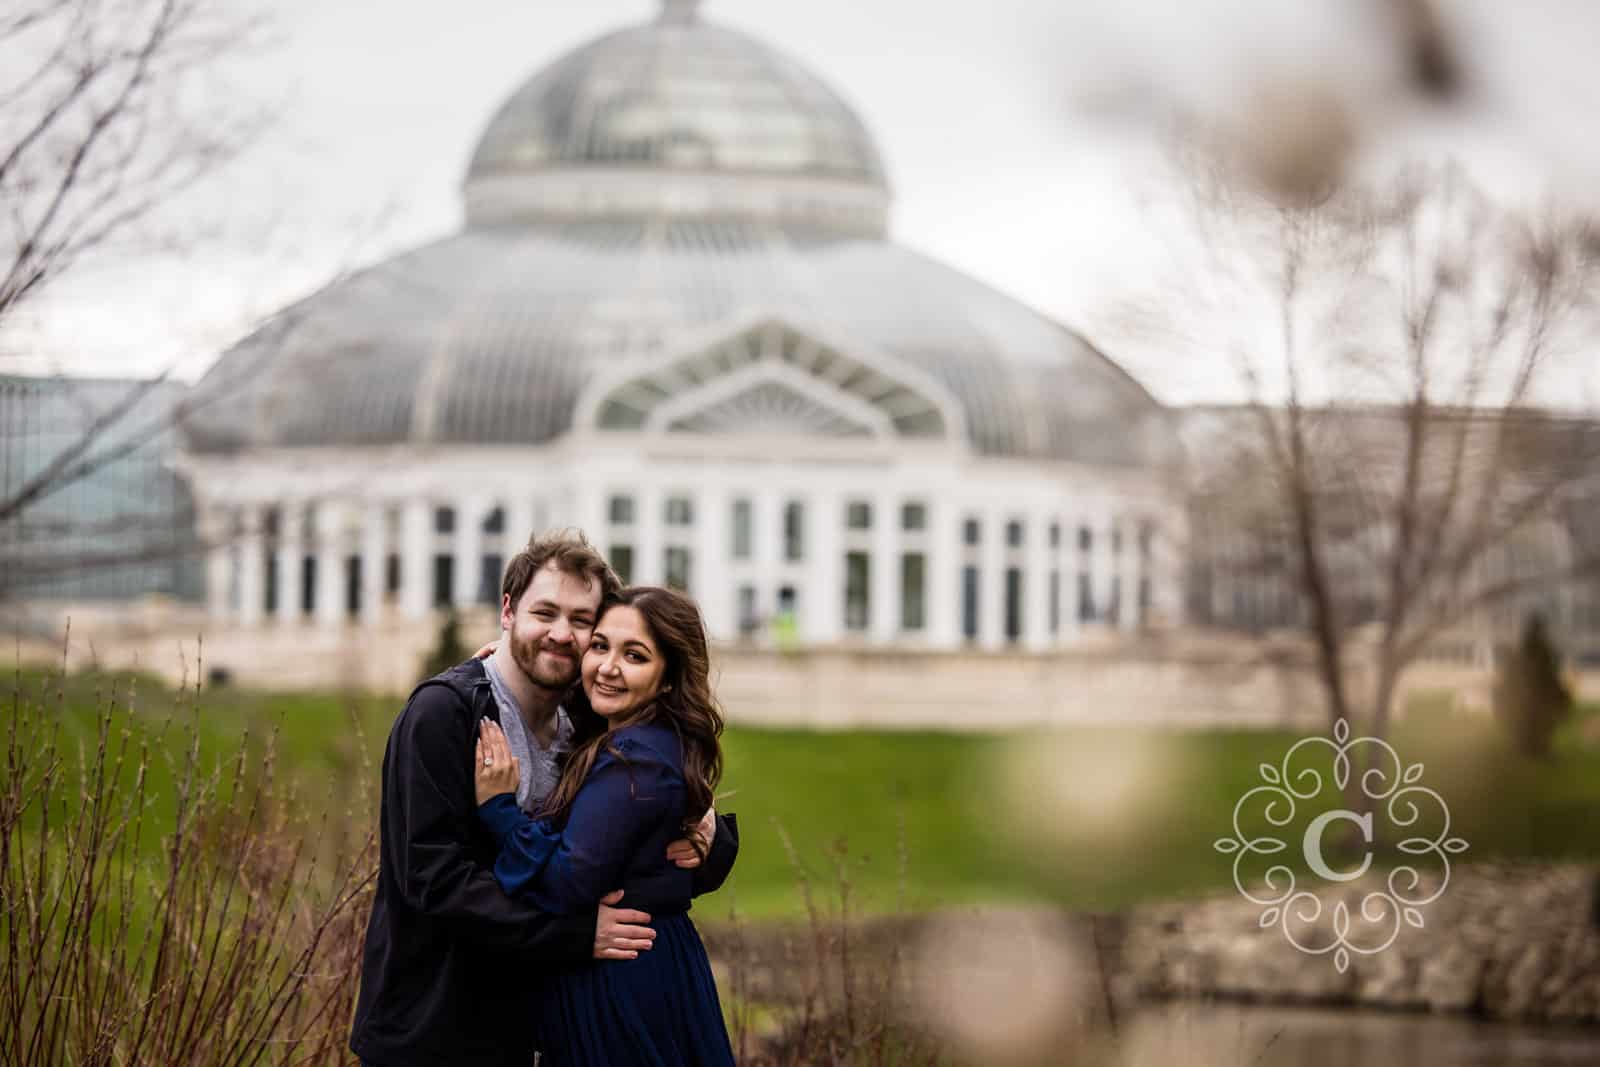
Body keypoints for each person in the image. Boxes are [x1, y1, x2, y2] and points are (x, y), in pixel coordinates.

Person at [351, 532, 739, 1067]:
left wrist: (711, 832)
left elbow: (640, 829)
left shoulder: (588, 721)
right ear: (508, 611)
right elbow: (434, 881)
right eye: (545, 613)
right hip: (439, 1027)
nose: (561, 634)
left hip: (539, 1026)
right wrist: (574, 935)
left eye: (582, 622)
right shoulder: (444, 716)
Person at [473, 585, 737, 1066]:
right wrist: (504, 665)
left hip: (623, 983)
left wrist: (499, 810)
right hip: (638, 967)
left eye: (634, 655)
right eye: (600, 646)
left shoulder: (637, 759)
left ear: (667, 680)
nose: (608, 667)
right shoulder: (625, 736)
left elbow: (570, 881)